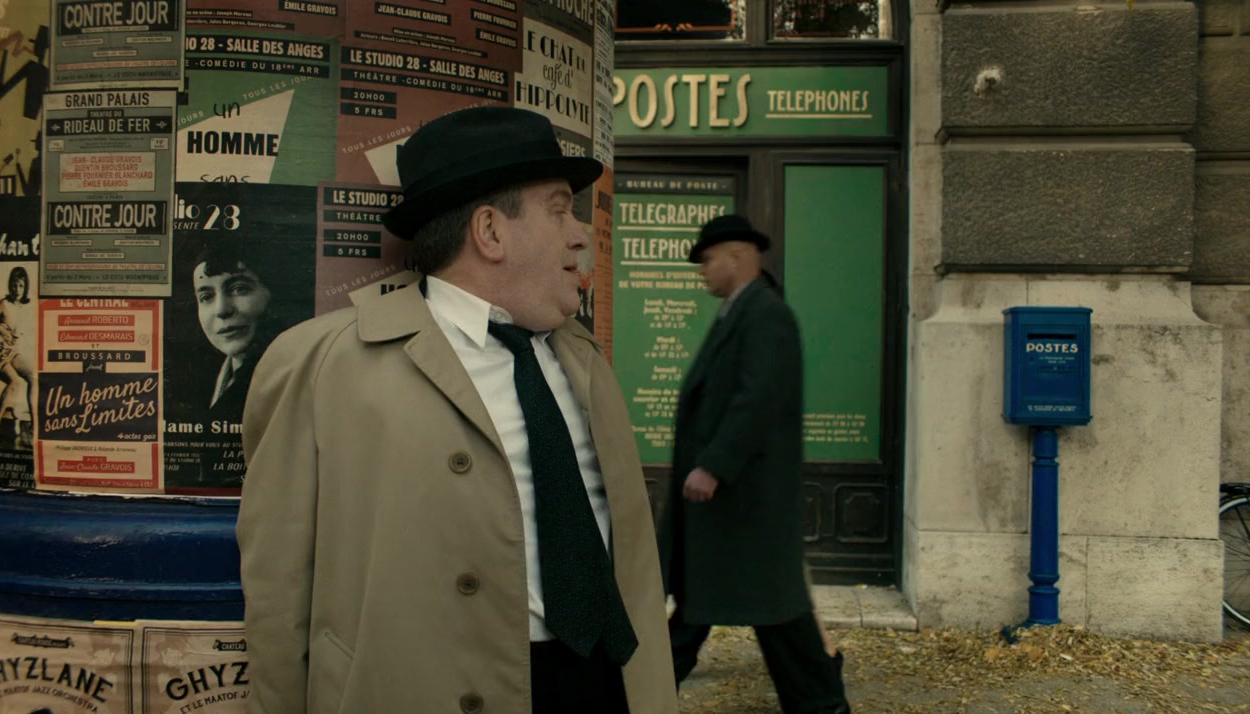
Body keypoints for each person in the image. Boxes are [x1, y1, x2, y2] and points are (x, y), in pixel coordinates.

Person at [236, 107, 675, 714]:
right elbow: (278, 593)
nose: (580, 235)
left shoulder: (583, 359)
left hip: (600, 683)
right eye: (559, 210)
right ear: (490, 232)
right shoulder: (323, 364)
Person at [659, 214, 850, 714]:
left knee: (775, 615)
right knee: (710, 607)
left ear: (737, 256)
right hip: (732, 509)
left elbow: (757, 398)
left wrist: (714, 465)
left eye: (707, 260)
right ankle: (644, 695)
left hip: (743, 503)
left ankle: (823, 706)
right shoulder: (740, 311)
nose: (702, 270)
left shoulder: (765, 314)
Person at [189, 242, 283, 425]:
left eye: (239, 289)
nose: (221, 310)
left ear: (272, 293)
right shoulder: (204, 384)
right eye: (206, 297)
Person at [0, 266, 34, 448]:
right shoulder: (4, 303)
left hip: (12, 350)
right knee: (15, 382)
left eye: (20, 286)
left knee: (33, 377)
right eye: (14, 285)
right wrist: (0, 328)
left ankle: (34, 426)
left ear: (25, 288)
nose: (16, 290)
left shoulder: (24, 307)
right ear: (9, 286)